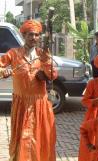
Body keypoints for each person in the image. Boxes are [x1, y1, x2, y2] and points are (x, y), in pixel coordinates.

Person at [0, 19, 57, 161]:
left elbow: (52, 75)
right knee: (23, 139)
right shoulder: (13, 53)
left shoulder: (42, 54)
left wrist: (45, 60)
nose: (34, 38)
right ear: (24, 35)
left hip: (40, 105)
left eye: (37, 35)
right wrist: (3, 71)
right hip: (21, 105)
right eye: (30, 35)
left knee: (39, 138)